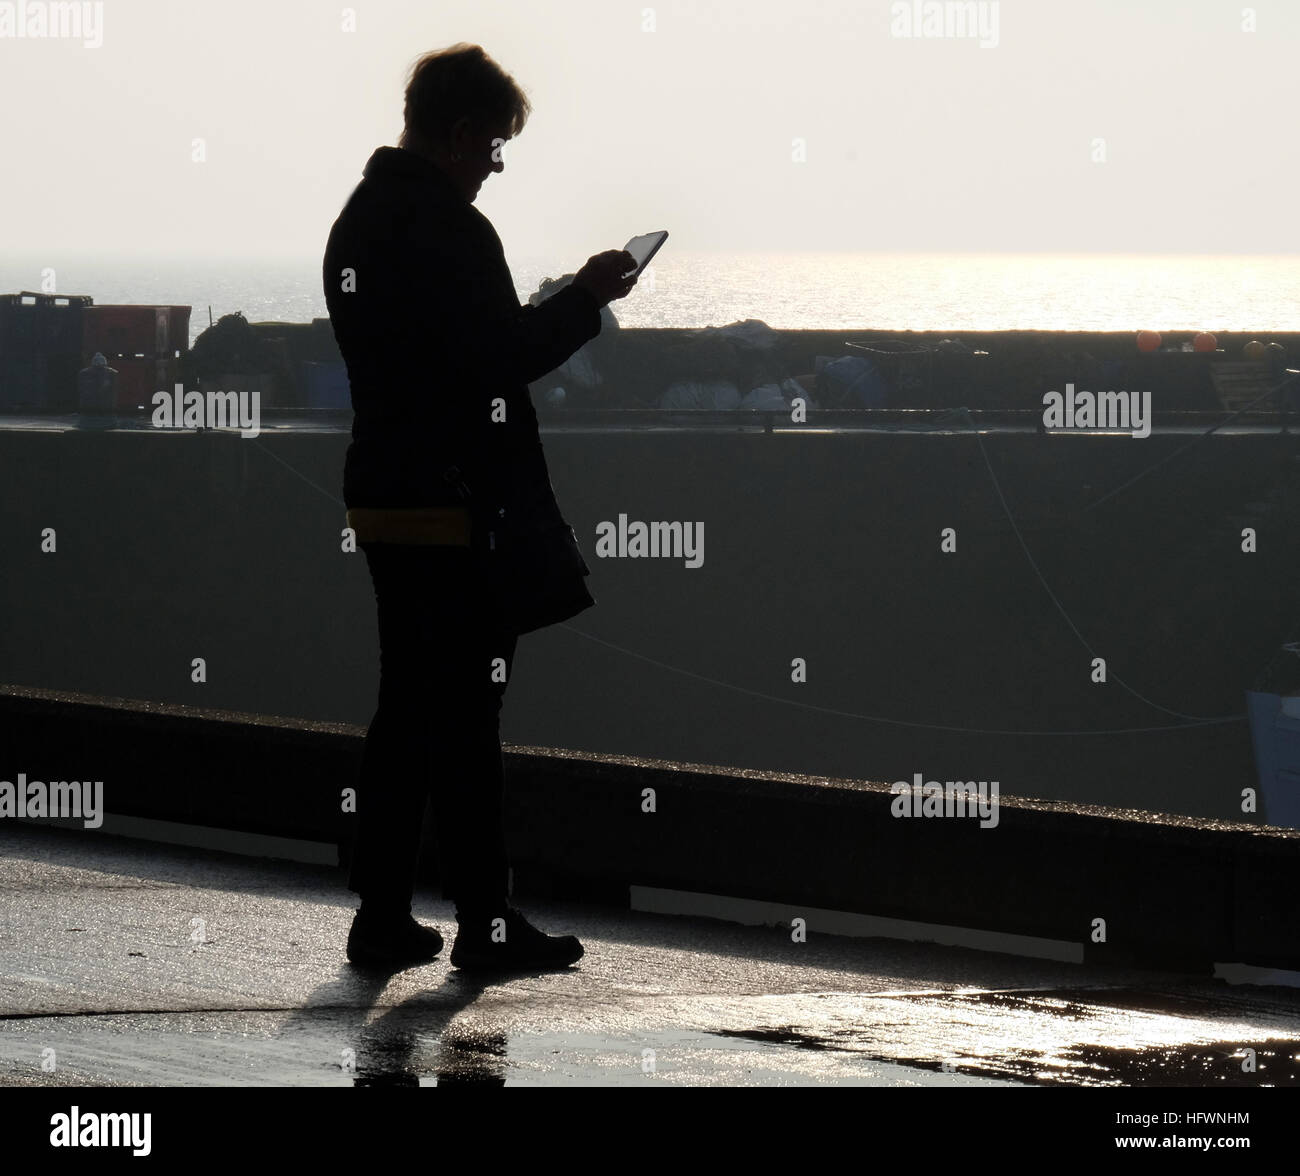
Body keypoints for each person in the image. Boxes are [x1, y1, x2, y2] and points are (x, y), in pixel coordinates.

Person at [323, 43, 636, 971]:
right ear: (461, 134)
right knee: (468, 715)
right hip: (458, 508)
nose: (494, 165)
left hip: (383, 495)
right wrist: (584, 299)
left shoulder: (356, 222)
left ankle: (381, 914)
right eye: (494, 146)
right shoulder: (454, 231)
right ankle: (486, 923)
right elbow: (498, 361)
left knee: (404, 711)